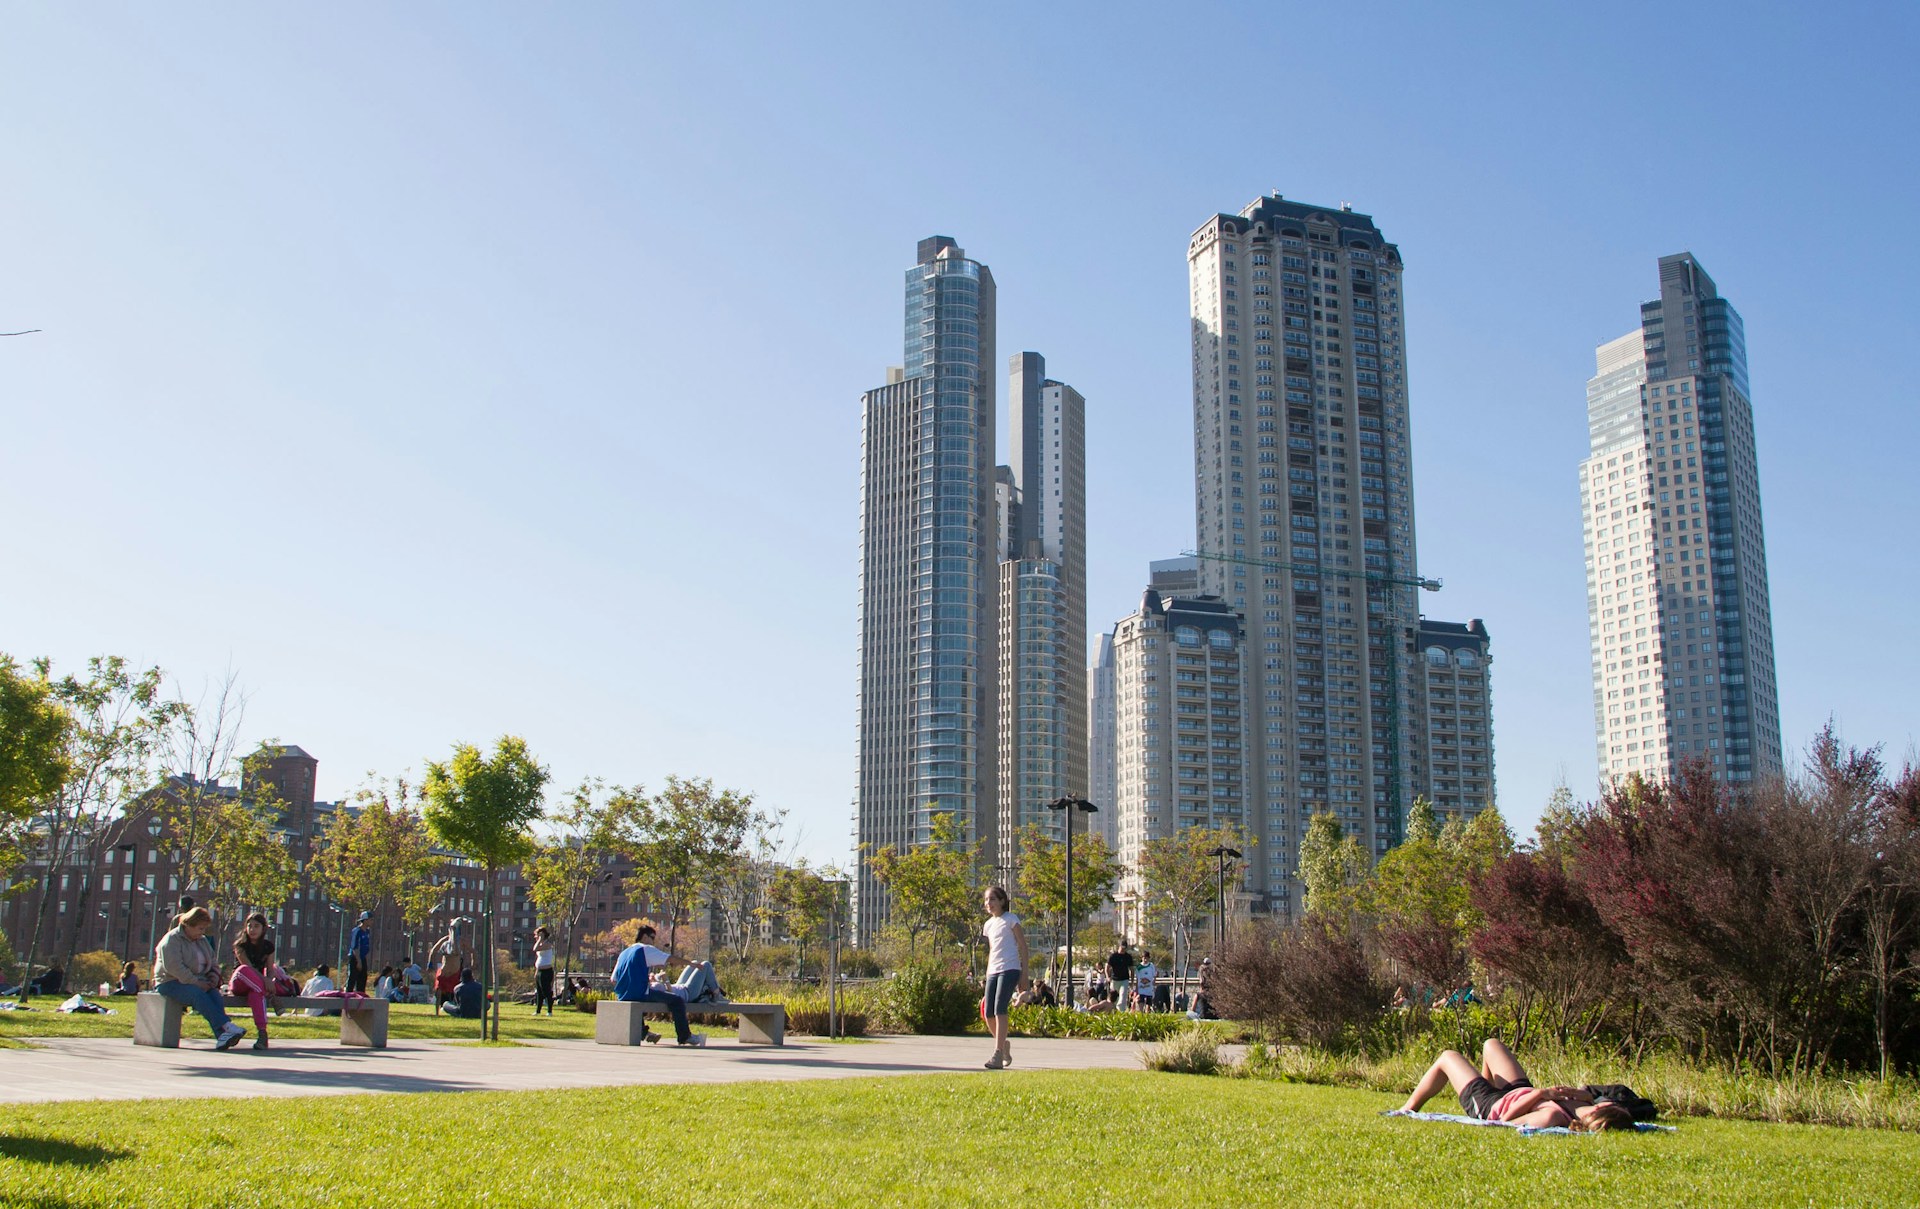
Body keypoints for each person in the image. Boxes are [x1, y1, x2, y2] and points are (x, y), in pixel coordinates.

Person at [1400, 1038, 1637, 1131]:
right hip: (1518, 1090)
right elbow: (1592, 1099)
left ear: (1599, 1111)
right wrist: (1583, 1095)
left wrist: (1542, 1094)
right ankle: (1484, 1083)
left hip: (1492, 1106)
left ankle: (1408, 1109)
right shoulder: (1585, 1103)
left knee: (1448, 1057)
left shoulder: (1551, 1119)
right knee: (1492, 1044)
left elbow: (1505, 1121)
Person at [152, 907, 246, 1051]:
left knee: (214, 995)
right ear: (188, 925)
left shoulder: (201, 941)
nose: (202, 932)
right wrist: (196, 983)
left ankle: (222, 1037)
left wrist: (213, 978)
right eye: (200, 928)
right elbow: (174, 967)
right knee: (197, 994)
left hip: (199, 981)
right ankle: (227, 1026)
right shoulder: (171, 940)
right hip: (170, 982)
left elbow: (213, 961)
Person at [612, 924, 703, 1047]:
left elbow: (613, 979)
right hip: (639, 993)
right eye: (652, 937)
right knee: (677, 1001)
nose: (653, 942)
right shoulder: (645, 949)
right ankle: (684, 1036)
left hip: (622, 995)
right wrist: (691, 964)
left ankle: (644, 1033)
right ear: (644, 937)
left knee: (638, 1003)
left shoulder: (624, 953)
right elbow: (670, 959)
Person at [979, 884, 1029, 1070]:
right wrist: (986, 973)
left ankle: (997, 1053)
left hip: (1010, 969)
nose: (988, 903)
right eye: (986, 900)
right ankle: (1003, 1044)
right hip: (993, 970)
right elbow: (993, 950)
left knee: (1000, 1008)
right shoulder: (988, 925)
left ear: (1002, 901)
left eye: (992, 899)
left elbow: (1023, 946)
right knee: (987, 1012)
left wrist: (1025, 974)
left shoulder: (1011, 919)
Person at [228, 911, 278, 1051]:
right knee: (244, 969)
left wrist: (270, 979)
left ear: (263, 928)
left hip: (256, 986)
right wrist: (266, 982)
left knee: (257, 994)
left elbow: (270, 968)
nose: (252, 929)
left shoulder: (268, 946)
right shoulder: (240, 945)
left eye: (256, 926)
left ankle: (262, 1034)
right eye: (249, 926)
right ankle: (272, 998)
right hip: (240, 981)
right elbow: (249, 968)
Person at [532, 927, 556, 1016]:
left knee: (546, 992)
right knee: (539, 992)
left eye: (537, 935)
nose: (535, 937)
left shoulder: (547, 944)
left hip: (546, 972)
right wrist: (536, 972)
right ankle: (538, 1011)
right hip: (540, 971)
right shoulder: (541, 944)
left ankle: (549, 1011)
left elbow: (535, 948)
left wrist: (540, 939)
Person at [346, 912, 372, 994]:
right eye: (370, 920)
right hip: (355, 957)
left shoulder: (367, 932)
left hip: (362, 957)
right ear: (365, 920)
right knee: (352, 977)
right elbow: (355, 947)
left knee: (363, 978)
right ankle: (348, 996)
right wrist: (359, 961)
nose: (372, 921)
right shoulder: (357, 931)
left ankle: (360, 996)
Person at [1104, 943, 1134, 1008]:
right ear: (1119, 946)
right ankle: (1111, 1009)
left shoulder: (1128, 957)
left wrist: (1132, 981)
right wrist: (1107, 977)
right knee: (1113, 997)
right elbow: (1107, 967)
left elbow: (1131, 970)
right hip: (1114, 980)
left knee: (1123, 995)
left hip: (1124, 980)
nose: (1123, 950)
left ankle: (1121, 1011)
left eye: (1124, 948)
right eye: (1122, 948)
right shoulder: (1113, 956)